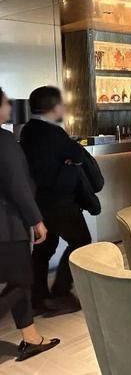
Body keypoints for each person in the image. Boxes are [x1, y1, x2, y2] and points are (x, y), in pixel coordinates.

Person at [20, 87, 95, 316]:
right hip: (60, 200)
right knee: (81, 241)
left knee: (44, 248)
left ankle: (37, 297)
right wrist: (70, 160)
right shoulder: (53, 132)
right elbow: (78, 154)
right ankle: (61, 293)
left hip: (40, 200)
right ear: (53, 107)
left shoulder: (27, 130)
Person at [0, 88, 60, 361]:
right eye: (5, 103)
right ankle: (31, 337)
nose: (9, 107)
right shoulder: (4, 140)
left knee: (18, 282)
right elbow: (18, 185)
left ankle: (31, 337)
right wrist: (36, 219)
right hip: (7, 225)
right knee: (22, 280)